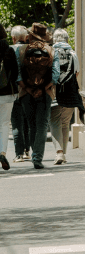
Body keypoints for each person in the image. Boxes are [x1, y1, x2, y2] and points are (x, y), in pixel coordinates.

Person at [17, 23, 54, 169]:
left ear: (30, 35)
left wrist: (28, 89)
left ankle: (34, 154)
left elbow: (18, 75)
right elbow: (56, 75)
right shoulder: (51, 50)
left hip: (26, 92)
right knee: (42, 125)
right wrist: (43, 89)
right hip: (45, 93)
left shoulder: (21, 51)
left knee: (32, 125)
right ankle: (37, 158)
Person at [49, 28, 83, 165]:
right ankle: (63, 153)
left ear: (54, 40)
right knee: (65, 123)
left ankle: (59, 153)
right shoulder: (73, 53)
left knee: (54, 121)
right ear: (67, 39)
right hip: (70, 93)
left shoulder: (50, 52)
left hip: (54, 92)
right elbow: (76, 74)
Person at [9, 26, 29, 161]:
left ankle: (19, 154)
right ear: (26, 37)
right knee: (27, 122)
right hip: (30, 91)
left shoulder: (10, 50)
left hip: (14, 91)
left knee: (16, 124)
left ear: (13, 38)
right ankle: (28, 151)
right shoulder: (31, 49)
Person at [0, 30, 18, 170]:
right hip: (7, 93)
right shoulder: (9, 50)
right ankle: (2, 152)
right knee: (5, 124)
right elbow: (15, 72)